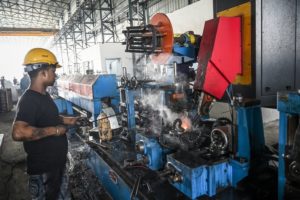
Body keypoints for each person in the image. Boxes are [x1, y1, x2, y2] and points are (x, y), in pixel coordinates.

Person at [12, 48, 80, 200]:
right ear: (43, 72)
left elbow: (46, 117)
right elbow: (18, 132)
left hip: (56, 166)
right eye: (53, 70)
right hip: (44, 172)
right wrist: (55, 130)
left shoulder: (44, 95)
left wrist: (64, 120)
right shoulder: (29, 99)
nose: (55, 75)